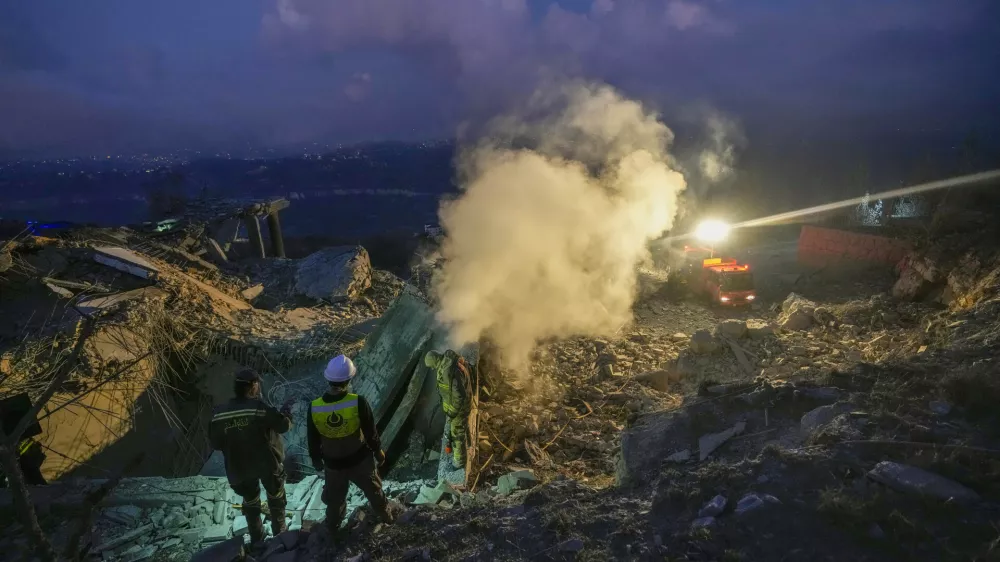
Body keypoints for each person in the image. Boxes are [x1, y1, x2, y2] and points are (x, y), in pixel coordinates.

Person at [307, 354, 393, 536]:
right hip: (360, 461)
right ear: (349, 379)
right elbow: (371, 433)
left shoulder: (315, 407)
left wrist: (316, 461)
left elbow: (313, 438)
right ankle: (388, 520)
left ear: (328, 379)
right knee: (374, 491)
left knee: (335, 499)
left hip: (333, 465)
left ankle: (332, 529)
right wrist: (378, 452)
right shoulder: (358, 402)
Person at [209, 368, 293, 545]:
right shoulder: (259, 409)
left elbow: (215, 444)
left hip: (238, 468)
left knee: (250, 501)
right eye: (257, 384)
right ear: (252, 386)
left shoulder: (219, 414)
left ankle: (257, 539)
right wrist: (286, 413)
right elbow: (283, 426)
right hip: (266, 464)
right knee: (276, 495)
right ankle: (280, 535)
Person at [424, 350, 472, 469]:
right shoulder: (448, 363)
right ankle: (469, 444)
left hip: (459, 408)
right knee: (461, 426)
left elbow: (459, 396)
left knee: (457, 434)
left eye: (432, 366)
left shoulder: (448, 373)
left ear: (435, 361)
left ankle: (459, 463)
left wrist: (452, 413)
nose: (432, 369)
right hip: (458, 406)